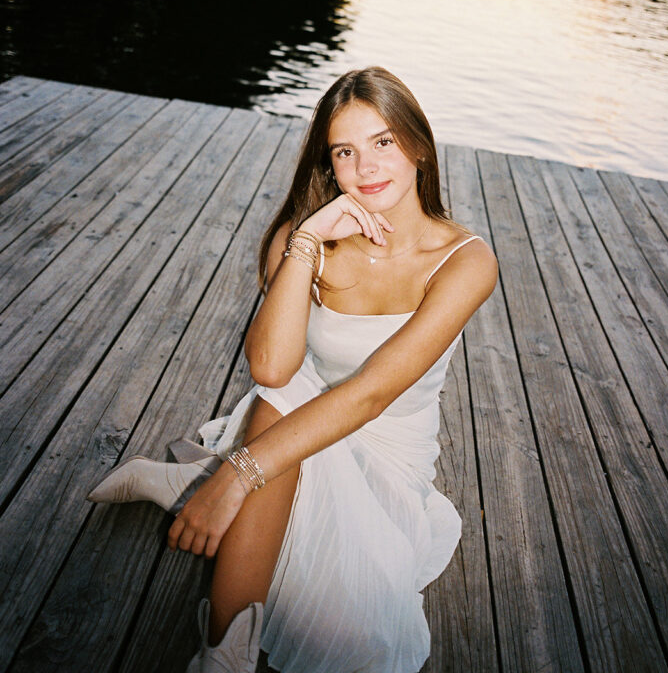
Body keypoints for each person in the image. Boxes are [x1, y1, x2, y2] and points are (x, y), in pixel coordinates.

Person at [87, 67, 498, 673]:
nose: (366, 167)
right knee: (288, 393)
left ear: (418, 145)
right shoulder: (310, 238)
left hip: (385, 454)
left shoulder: (465, 261)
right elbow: (272, 368)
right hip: (287, 416)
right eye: (345, 151)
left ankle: (203, 482)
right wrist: (305, 239)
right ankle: (223, 655)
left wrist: (238, 476)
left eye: (383, 142)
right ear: (329, 164)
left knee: (349, 634)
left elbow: (371, 393)